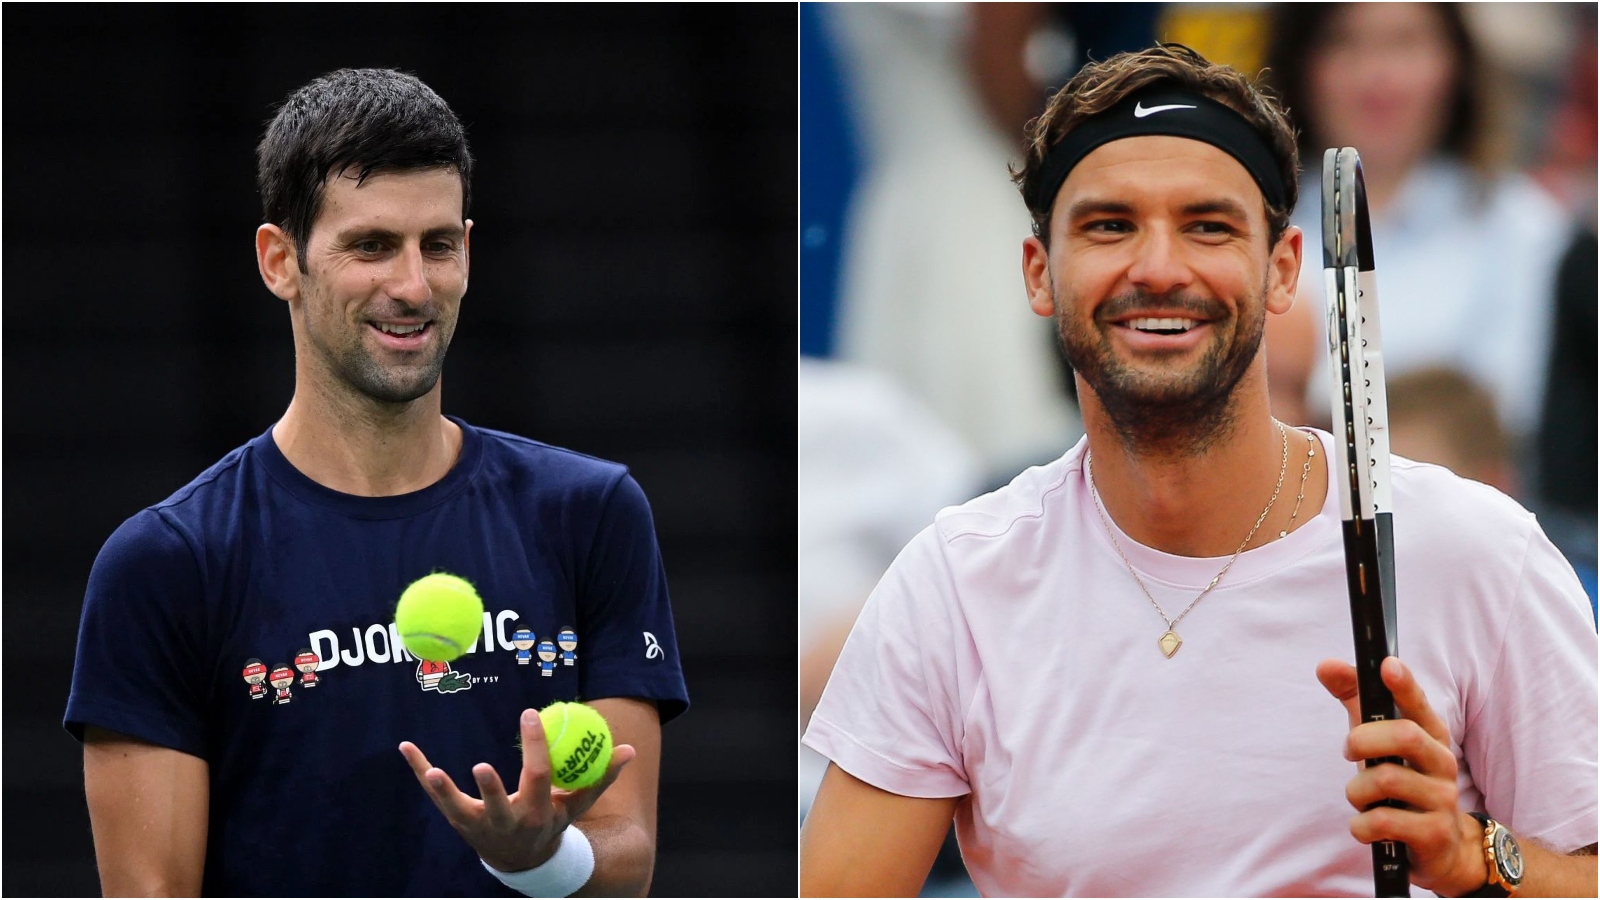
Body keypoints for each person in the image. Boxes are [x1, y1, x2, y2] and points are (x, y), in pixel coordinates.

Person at [800, 44, 1597, 897]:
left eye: (1207, 226)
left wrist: (1474, 855)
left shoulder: (1478, 552)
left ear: (1283, 268)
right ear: (1040, 274)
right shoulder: (955, 583)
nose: (1159, 268)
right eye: (1109, 225)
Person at [64, 68, 687, 897]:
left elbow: (626, 861)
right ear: (280, 261)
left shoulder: (591, 513)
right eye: (370, 247)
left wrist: (540, 856)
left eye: (439, 245)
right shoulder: (166, 562)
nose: (413, 287)